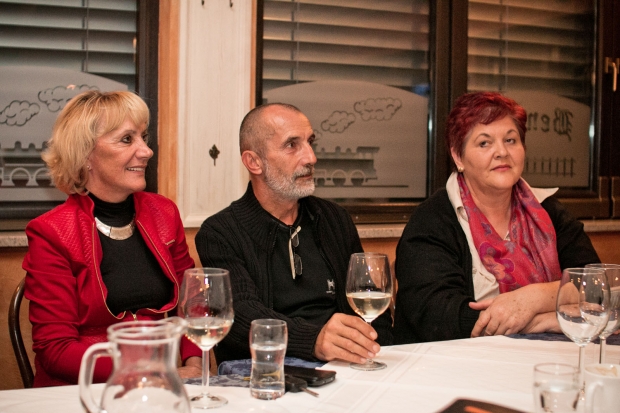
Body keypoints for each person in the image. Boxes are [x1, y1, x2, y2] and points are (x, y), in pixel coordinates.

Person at [23, 90, 201, 387]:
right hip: (84, 390)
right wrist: (147, 373)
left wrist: (193, 363)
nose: (146, 151)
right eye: (127, 139)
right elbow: (56, 350)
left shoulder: (164, 212)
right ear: (85, 155)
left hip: (161, 386)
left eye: (143, 137)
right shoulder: (51, 232)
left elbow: (191, 302)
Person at [393, 91, 600, 344]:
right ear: (458, 156)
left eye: (511, 140)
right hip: (457, 361)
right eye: (484, 143)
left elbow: (598, 288)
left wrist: (533, 299)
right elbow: (443, 319)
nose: (502, 152)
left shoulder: (548, 211)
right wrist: (546, 321)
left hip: (549, 356)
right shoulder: (432, 221)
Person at [195, 103, 393, 365]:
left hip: (345, 366)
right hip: (265, 370)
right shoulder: (220, 232)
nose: (311, 157)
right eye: (292, 145)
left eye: (310, 142)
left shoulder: (334, 219)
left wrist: (381, 355)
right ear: (254, 162)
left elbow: (371, 304)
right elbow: (239, 315)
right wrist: (313, 340)